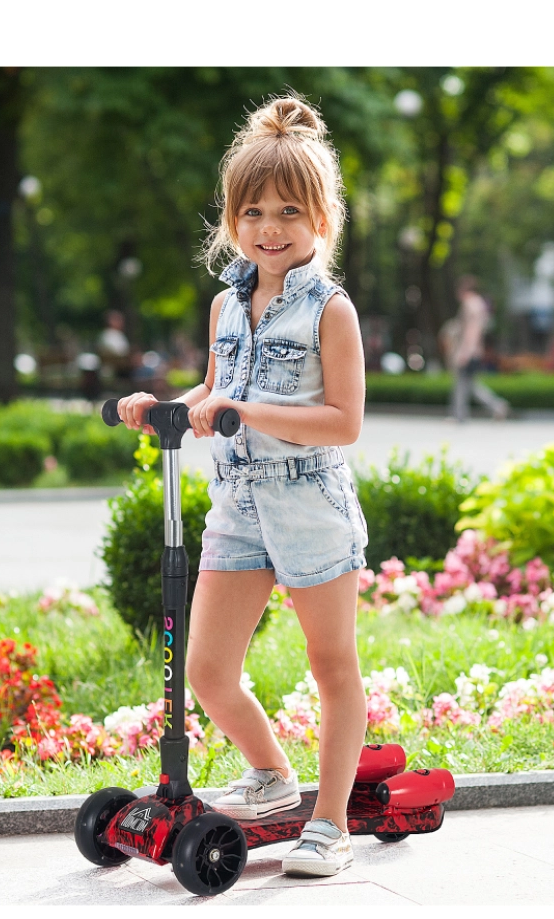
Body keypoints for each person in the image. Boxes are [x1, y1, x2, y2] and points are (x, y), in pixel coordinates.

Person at [117, 95, 369, 878]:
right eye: (253, 210)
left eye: (289, 210)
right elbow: (213, 389)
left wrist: (237, 408)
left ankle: (329, 823)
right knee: (207, 672)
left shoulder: (331, 310)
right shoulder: (228, 301)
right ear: (231, 219)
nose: (269, 227)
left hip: (309, 503)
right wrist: (164, 407)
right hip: (240, 505)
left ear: (320, 218)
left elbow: (343, 422)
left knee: (332, 666)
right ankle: (272, 776)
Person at [446, 276, 509, 422]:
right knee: (470, 384)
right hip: (476, 349)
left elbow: (472, 330)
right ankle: (497, 406)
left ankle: (459, 415)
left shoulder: (470, 304)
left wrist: (466, 351)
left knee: (462, 383)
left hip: (469, 350)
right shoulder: (480, 304)